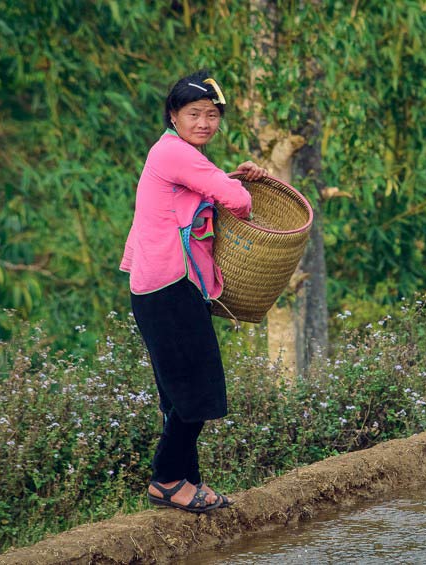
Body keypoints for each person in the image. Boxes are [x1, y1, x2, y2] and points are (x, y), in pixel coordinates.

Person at [120, 70, 268, 513]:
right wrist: (239, 184)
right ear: (173, 116)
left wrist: (232, 176)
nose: (204, 123)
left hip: (162, 287)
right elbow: (237, 201)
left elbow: (199, 188)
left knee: (180, 394)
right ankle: (166, 480)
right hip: (169, 287)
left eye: (212, 115)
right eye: (194, 114)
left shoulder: (175, 154)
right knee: (196, 390)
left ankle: (188, 482)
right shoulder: (174, 154)